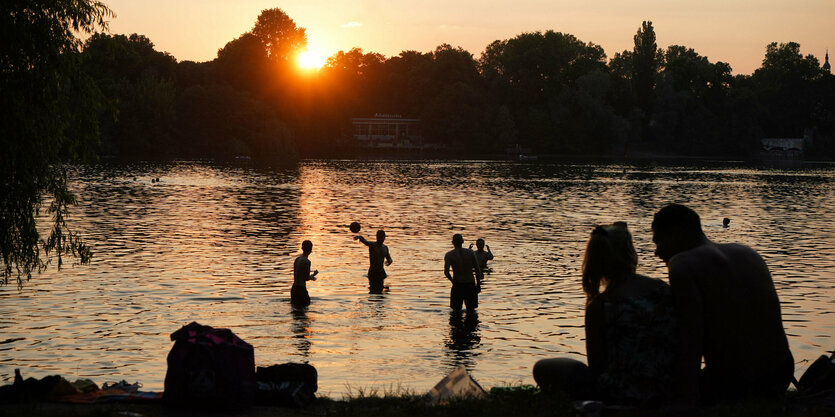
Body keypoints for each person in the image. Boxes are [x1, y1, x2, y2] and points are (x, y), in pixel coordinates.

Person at [652, 204, 793, 405]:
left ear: (677, 233)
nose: (657, 252)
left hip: (736, 382)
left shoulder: (682, 264)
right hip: (781, 371)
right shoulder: (747, 252)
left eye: (659, 241)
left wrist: (686, 397)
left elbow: (691, 338)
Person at [533, 222, 676, 405]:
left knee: (543, 368)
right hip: (668, 387)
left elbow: (597, 367)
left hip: (622, 394)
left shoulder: (601, 305)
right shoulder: (663, 289)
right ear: (631, 254)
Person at [444, 234, 484, 311]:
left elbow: (446, 272)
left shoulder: (449, 255)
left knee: (456, 311)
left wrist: (452, 281)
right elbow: (477, 270)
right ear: (463, 241)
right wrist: (478, 284)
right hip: (470, 284)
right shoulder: (470, 253)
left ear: (452, 242)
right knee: (471, 311)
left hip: (457, 284)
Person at [291, 240, 318, 306]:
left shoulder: (297, 259)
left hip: (294, 288)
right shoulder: (307, 261)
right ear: (311, 249)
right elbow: (306, 278)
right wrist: (314, 275)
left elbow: (297, 274)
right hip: (301, 289)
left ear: (302, 248)